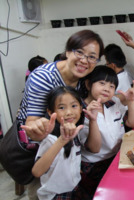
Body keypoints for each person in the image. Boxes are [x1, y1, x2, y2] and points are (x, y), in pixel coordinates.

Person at [17, 29, 104, 200]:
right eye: (80, 52)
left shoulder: (83, 80)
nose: (84, 60)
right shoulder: (43, 77)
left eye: (92, 56)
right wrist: (40, 127)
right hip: (42, 146)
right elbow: (32, 123)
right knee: (45, 190)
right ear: (68, 51)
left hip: (67, 140)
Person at [75, 66, 134, 199]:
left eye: (111, 86)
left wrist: (131, 100)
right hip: (94, 167)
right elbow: (94, 148)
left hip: (117, 158)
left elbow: (133, 123)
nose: (107, 89)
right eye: (102, 83)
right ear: (88, 84)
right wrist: (93, 120)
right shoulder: (80, 111)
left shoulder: (112, 102)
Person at [25, 86, 101, 200]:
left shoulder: (75, 132)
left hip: (74, 188)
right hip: (56, 195)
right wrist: (62, 141)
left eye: (74, 106)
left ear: (81, 108)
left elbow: (94, 149)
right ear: (51, 112)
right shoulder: (50, 140)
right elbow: (37, 171)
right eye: (61, 107)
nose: (69, 112)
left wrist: (93, 120)